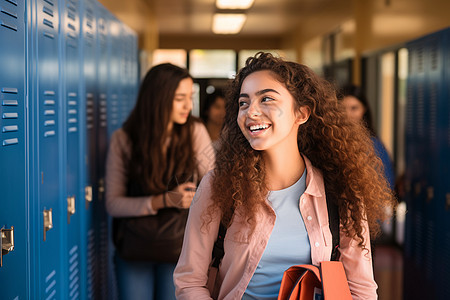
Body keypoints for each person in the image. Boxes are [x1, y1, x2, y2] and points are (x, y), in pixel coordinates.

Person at [173, 52, 396, 299]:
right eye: (243, 103)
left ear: (301, 113)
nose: (251, 112)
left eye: (266, 99)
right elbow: (189, 282)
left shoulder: (340, 192)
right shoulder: (218, 186)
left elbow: (361, 290)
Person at [105, 63, 215, 300]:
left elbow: (213, 184)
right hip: (135, 248)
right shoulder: (123, 139)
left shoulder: (194, 130)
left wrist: (193, 196)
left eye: (191, 97)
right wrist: (164, 200)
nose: (189, 105)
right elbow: (113, 204)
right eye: (180, 98)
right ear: (158, 98)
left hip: (181, 246)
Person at [339, 84, 395, 189]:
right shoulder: (330, 142)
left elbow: (387, 187)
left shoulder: (375, 146)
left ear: (364, 110)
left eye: (354, 108)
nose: (347, 114)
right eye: (342, 108)